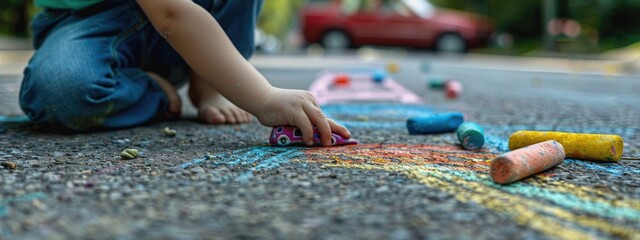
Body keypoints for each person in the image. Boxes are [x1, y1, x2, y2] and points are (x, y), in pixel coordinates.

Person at [20, 0, 351, 146]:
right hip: (89, 23)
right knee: (60, 91)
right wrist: (263, 97)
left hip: (186, 24)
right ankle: (149, 90)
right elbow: (170, 14)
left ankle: (209, 83)